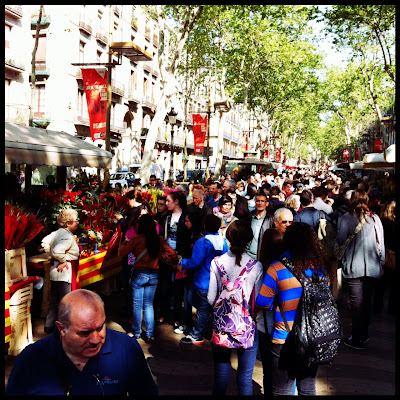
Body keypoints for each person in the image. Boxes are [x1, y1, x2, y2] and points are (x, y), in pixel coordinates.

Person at [5, 289, 158, 395]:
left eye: (100, 328)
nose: (95, 339)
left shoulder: (127, 349)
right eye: (85, 333)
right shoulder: (32, 359)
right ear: (61, 328)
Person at [256, 222, 334, 395]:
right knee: (308, 388)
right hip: (314, 338)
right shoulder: (321, 268)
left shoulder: (277, 267)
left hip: (284, 338)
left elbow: (262, 302)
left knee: (282, 389)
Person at [207, 220, 263, 395]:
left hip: (221, 326)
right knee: (245, 378)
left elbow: (210, 298)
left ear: (228, 237)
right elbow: (259, 300)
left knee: (220, 375)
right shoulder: (256, 266)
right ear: (249, 240)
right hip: (247, 327)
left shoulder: (217, 263)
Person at [337, 189, 385, 350]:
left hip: (353, 266)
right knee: (367, 302)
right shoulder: (375, 218)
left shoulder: (346, 218)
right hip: (373, 267)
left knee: (356, 303)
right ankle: (363, 334)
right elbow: (381, 244)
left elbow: (340, 239)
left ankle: (356, 337)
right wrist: (382, 264)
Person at [120, 214, 178, 343]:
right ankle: (150, 334)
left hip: (139, 274)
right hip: (153, 275)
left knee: (137, 304)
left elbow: (122, 253)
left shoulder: (136, 239)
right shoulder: (159, 239)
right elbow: (172, 253)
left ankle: (136, 332)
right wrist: (173, 262)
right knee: (149, 305)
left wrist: (124, 243)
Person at [178, 214, 229, 344]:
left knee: (202, 309)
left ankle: (197, 334)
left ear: (205, 225)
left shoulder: (202, 242)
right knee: (215, 310)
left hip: (203, 281)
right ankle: (214, 333)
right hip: (218, 282)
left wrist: (182, 263)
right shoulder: (223, 241)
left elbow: (195, 262)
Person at [41, 209, 80, 334]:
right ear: (68, 223)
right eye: (75, 221)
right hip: (65, 273)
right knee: (66, 301)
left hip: (55, 272)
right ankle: (65, 326)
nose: (78, 223)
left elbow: (45, 242)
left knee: (54, 299)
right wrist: (63, 259)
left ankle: (49, 324)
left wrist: (52, 255)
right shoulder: (68, 237)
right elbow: (58, 251)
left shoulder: (57, 233)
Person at [164, 191, 189, 332]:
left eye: (168, 201)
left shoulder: (185, 217)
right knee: (166, 287)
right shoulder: (167, 217)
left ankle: (178, 318)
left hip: (180, 258)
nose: (167, 203)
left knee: (179, 290)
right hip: (167, 257)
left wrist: (180, 258)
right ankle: (166, 314)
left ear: (176, 201)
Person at [374, 198, 395, 314]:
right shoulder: (393, 223)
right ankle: (392, 308)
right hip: (392, 255)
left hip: (381, 254)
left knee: (380, 284)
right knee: (393, 284)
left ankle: (377, 307)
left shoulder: (379, 221)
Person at [246, 193, 274, 260]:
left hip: (261, 256)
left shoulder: (270, 219)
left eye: (262, 201)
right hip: (247, 255)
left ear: (266, 204)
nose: (260, 203)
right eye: (258, 201)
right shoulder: (249, 217)